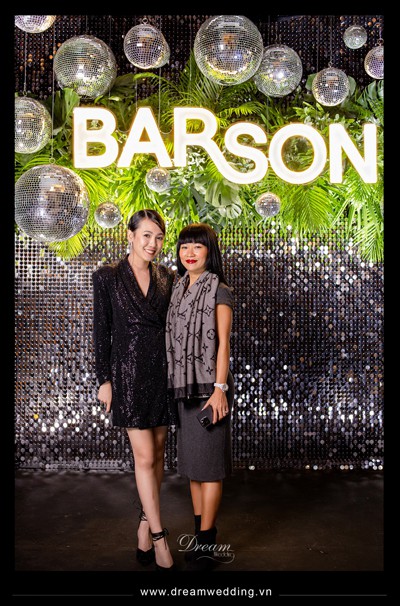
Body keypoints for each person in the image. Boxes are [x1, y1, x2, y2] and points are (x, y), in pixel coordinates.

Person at [92, 209, 176, 571]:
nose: (152, 244)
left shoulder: (168, 277)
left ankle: (143, 524)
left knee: (157, 455)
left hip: (162, 374)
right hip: (127, 375)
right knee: (143, 458)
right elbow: (102, 331)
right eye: (146, 235)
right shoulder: (107, 277)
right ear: (130, 235)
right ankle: (158, 536)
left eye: (158, 237)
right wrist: (104, 380)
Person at [165, 223, 234, 571]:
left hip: (209, 389)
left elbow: (223, 345)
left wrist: (220, 390)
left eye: (197, 246)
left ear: (210, 251)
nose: (189, 253)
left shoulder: (219, 290)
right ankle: (198, 539)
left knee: (210, 470)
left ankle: (207, 543)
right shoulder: (177, 290)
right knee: (194, 468)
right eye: (184, 247)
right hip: (185, 388)